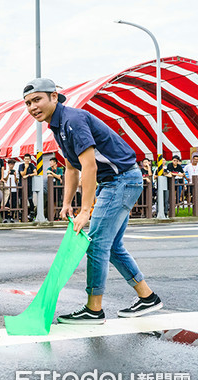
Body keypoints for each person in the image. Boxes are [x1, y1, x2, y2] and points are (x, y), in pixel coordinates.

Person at [24, 77, 162, 324]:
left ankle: (93, 309)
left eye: (37, 99)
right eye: (28, 103)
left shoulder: (72, 121)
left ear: (54, 97)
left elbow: (89, 167)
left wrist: (85, 210)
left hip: (120, 180)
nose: (32, 107)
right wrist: (67, 203)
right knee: (112, 246)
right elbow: (71, 168)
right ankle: (147, 297)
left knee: (97, 244)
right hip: (117, 182)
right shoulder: (58, 126)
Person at [18, 153, 37, 218]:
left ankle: (31, 214)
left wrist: (29, 175)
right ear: (23, 159)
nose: (26, 160)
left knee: (30, 199)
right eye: (25, 159)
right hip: (21, 185)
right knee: (22, 199)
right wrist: (25, 168)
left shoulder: (31, 165)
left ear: (30, 159)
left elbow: (35, 173)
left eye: (28, 159)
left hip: (29, 185)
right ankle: (21, 214)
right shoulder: (21, 166)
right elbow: (22, 174)